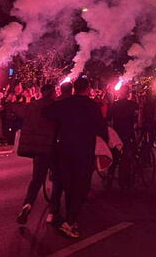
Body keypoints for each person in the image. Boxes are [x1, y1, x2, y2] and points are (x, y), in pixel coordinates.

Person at [45, 78, 108, 239]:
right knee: (81, 186)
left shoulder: (64, 103)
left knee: (69, 184)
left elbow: (46, 113)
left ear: (74, 89)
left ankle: (69, 218)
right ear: (87, 89)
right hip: (83, 151)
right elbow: (101, 128)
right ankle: (69, 222)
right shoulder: (92, 106)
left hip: (64, 149)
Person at [16, 84, 57, 225]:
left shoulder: (33, 105)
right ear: (52, 93)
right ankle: (53, 211)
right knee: (57, 179)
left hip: (38, 149)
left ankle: (27, 204)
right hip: (51, 147)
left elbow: (22, 114)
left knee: (36, 179)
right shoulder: (55, 106)